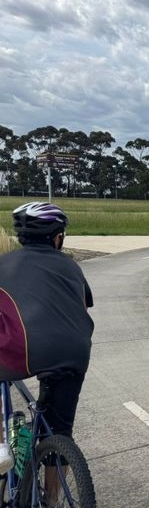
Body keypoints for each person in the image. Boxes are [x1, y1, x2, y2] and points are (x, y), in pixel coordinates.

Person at [0, 202, 94, 480]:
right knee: (59, 429)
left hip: (25, 349)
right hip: (74, 351)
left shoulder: (3, 264)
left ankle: (1, 447)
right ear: (57, 237)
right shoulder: (72, 267)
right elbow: (83, 307)